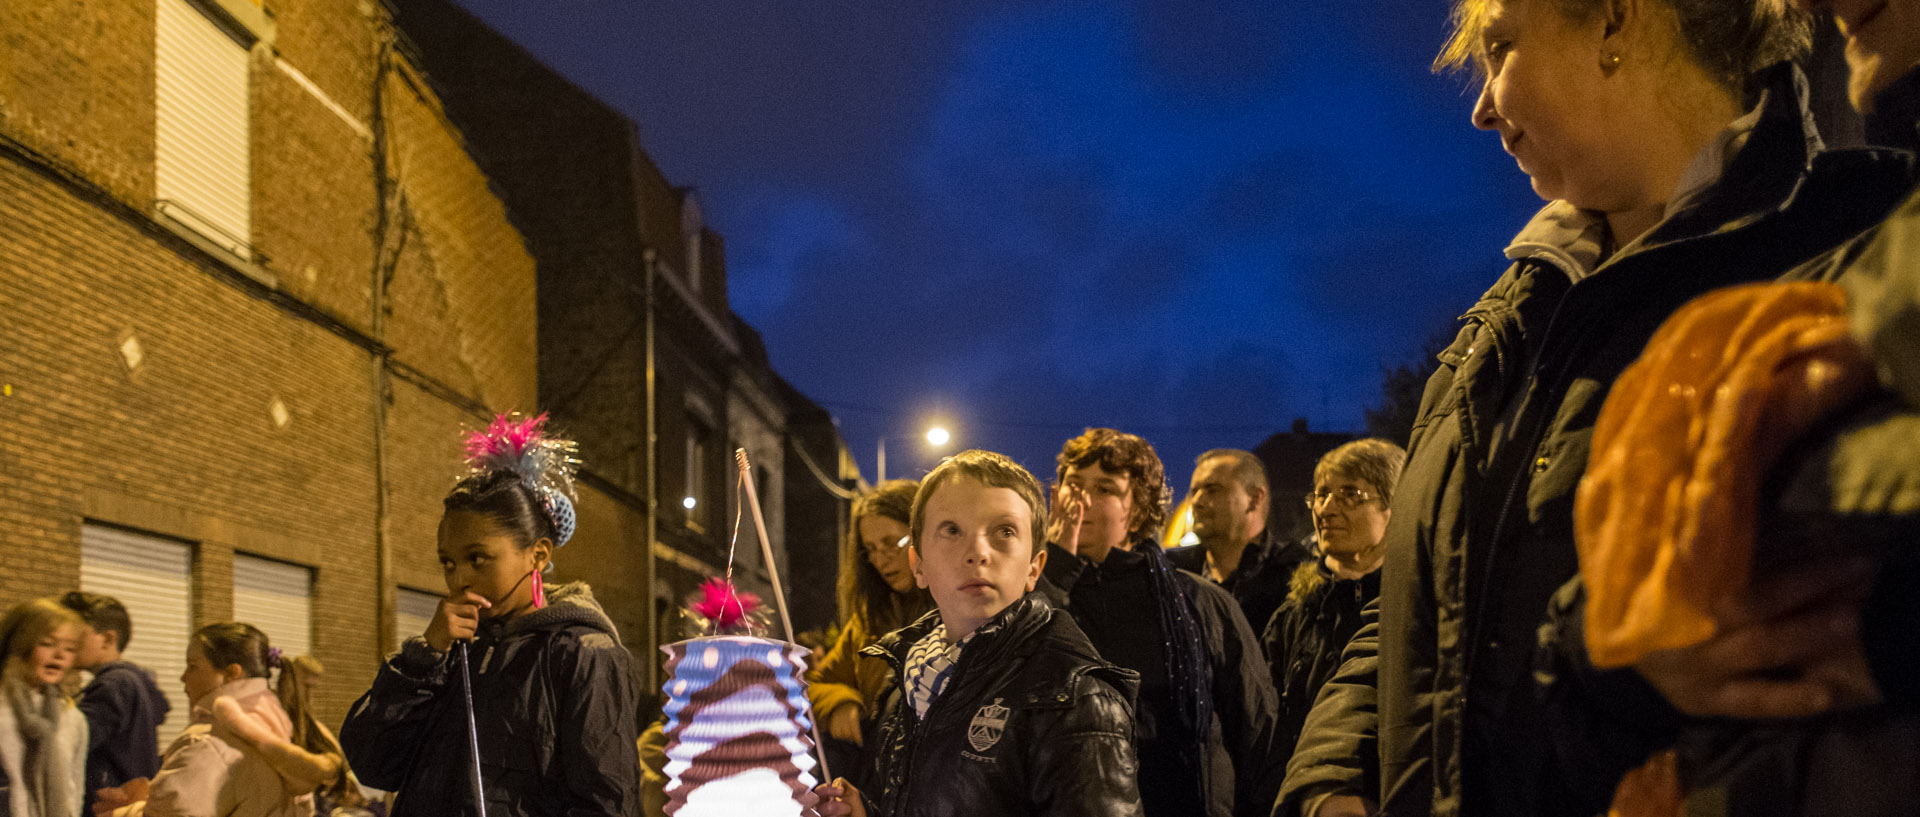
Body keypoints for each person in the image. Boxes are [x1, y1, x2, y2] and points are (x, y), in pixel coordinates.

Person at [1277, 0, 1917, 815]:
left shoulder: (1845, 254)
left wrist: (1618, 665)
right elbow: (1420, 594)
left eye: (1501, 46)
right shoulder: (1501, 322)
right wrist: (1331, 772)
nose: (1478, 109)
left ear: (1615, 20)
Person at [813, 449, 1143, 817]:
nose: (977, 552)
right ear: (918, 564)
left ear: (1034, 568)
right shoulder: (906, 679)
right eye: (952, 530)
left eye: (1004, 531)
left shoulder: (1073, 700)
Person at [339, 414, 640, 817]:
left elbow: (606, 803)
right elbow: (374, 764)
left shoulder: (584, 653)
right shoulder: (448, 653)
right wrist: (423, 657)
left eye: (478, 558)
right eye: (448, 563)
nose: (459, 578)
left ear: (539, 554)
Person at [1043, 428, 1279, 817]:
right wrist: (1056, 572)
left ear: (1136, 509)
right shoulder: (1038, 594)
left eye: (1105, 489)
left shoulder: (1195, 601)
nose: (1082, 499)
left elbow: (1255, 729)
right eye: (1073, 484)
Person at [1260, 439, 1403, 768]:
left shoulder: (1417, 609)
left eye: (1350, 494)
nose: (1325, 509)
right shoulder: (1294, 613)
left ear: (1396, 505)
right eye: (1321, 495)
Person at [93, 622, 310, 817]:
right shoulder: (276, 725)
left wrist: (125, 811)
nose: (183, 676)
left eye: (193, 666)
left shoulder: (210, 742)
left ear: (231, 673)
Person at [806, 480, 934, 781]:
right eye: (871, 549)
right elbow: (814, 685)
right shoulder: (868, 621)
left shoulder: (959, 611)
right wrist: (839, 702)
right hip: (878, 783)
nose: (880, 559)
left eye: (892, 543)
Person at [1167, 449, 1310, 637]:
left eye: (1213, 490)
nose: (1197, 501)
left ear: (1254, 498)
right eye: (1194, 491)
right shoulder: (1172, 571)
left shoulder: (1296, 575)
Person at [58, 592, 169, 815]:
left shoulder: (115, 685)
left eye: (75, 635)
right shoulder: (130, 682)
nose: (66, 643)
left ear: (108, 639)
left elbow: (67, 745)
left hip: (106, 807)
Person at [0, 599, 87, 817]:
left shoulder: (71, 716)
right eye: (47, 644)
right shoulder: (3, 710)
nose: (60, 655)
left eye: (69, 648)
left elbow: (74, 786)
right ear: (21, 645)